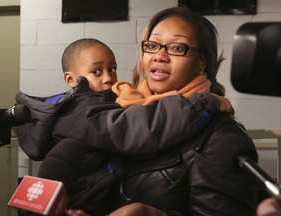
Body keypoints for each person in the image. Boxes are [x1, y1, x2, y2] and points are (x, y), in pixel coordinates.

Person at [14, 37, 233, 213]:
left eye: (113, 68)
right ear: (71, 80)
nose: (109, 78)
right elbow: (136, 129)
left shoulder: (106, 103)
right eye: (96, 71)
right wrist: (202, 104)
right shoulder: (80, 112)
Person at [89, 6, 257, 216]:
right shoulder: (120, 112)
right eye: (152, 45)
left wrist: (155, 215)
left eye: (177, 48)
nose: (160, 56)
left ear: (201, 61)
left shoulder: (222, 137)